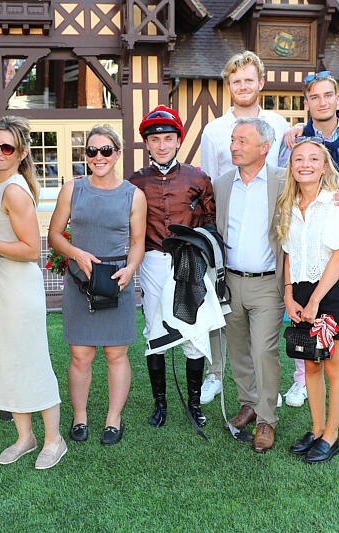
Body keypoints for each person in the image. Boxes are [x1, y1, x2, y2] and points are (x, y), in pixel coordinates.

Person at [0, 116, 66, 469]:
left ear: (21, 154)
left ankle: (54, 439)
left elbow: (32, 250)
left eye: (7, 147)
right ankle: (25, 437)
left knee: (31, 361)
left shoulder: (14, 191)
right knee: (8, 361)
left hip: (19, 289)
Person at [199, 50, 290, 405]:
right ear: (228, 86)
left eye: (249, 79)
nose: (242, 86)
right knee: (226, 318)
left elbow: (288, 177)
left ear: (261, 82)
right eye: (236, 81)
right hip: (230, 233)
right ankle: (216, 374)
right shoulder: (214, 131)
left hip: (267, 237)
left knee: (263, 330)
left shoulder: (280, 125)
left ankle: (264, 390)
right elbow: (211, 183)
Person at [48, 125, 147, 445]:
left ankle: (113, 419)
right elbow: (54, 236)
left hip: (117, 281)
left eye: (106, 150)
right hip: (80, 281)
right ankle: (80, 416)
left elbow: (138, 242)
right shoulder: (71, 190)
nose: (98, 157)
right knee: (80, 355)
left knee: (116, 355)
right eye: (92, 151)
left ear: (117, 154)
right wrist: (76, 253)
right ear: (86, 155)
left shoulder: (134, 195)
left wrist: (131, 269)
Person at [281, 72, 339, 415]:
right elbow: (286, 181)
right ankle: (303, 379)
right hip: (306, 242)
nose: (322, 102)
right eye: (314, 97)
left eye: (327, 95)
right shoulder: (296, 140)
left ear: (337, 98)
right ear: (307, 103)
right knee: (303, 313)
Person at [127, 105, 216, 428]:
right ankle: (160, 404)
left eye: (168, 138)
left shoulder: (198, 178)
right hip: (153, 261)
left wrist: (201, 249)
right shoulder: (135, 182)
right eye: (155, 139)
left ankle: (194, 404)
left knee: (194, 331)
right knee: (155, 330)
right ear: (146, 144)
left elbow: (211, 221)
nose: (162, 145)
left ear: (178, 140)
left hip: (190, 263)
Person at [279, 139, 339, 463]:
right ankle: (315, 430)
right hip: (301, 295)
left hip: (333, 294)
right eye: (299, 159)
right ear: (291, 167)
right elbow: (288, 254)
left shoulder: (336, 203)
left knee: (334, 368)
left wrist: (315, 301)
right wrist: (288, 295)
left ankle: (331, 435)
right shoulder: (289, 205)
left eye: (314, 159)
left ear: (324, 167)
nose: (306, 164)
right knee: (310, 364)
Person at [213, 117, 285, 453]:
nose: (234, 147)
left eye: (242, 141)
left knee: (263, 351)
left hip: (269, 284)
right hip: (230, 281)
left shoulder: (283, 181)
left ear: (264, 147)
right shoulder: (222, 184)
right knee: (238, 349)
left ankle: (267, 419)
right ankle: (249, 403)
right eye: (233, 140)